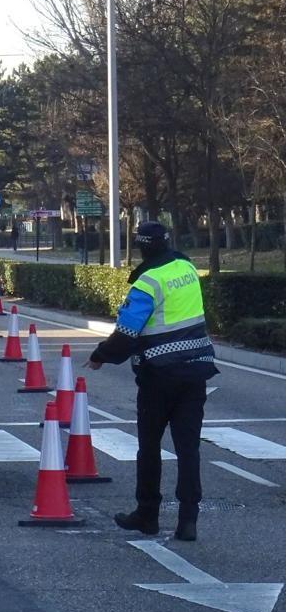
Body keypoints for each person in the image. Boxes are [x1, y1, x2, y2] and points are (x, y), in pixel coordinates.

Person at [87, 221, 218, 542]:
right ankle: (188, 519)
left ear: (142, 247)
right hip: (197, 370)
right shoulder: (186, 267)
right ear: (166, 242)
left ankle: (147, 514)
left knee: (149, 447)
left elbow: (127, 333)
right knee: (189, 449)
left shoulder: (147, 283)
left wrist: (101, 355)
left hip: (159, 376)